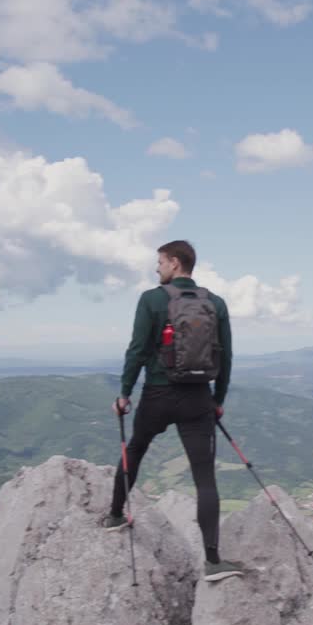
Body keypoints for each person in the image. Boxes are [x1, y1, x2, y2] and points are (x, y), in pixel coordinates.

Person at [106, 240, 244, 582]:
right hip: (198, 399)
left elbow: (137, 350)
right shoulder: (216, 303)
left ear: (175, 262)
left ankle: (114, 515)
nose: (157, 269)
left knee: (135, 449)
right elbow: (225, 357)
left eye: (160, 262)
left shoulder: (152, 300)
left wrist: (124, 392)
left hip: (157, 395)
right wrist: (218, 399)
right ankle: (213, 561)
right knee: (205, 477)